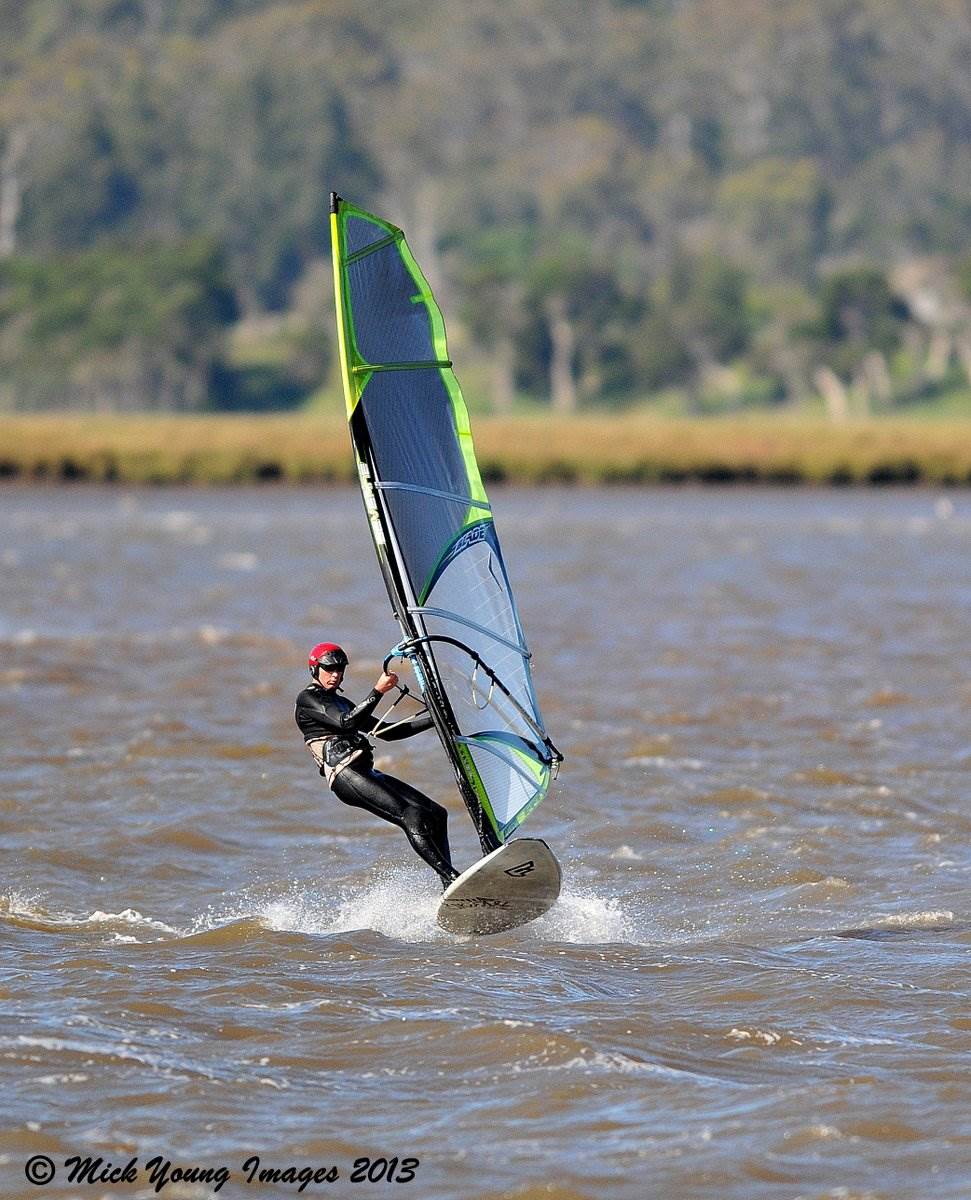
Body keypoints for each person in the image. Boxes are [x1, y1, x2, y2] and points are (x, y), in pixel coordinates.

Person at [295, 641, 459, 888]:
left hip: (365, 772)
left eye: (339, 669)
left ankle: (449, 885)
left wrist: (438, 718)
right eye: (329, 669)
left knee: (436, 814)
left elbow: (390, 732)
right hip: (345, 774)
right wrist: (378, 691)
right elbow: (346, 723)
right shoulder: (308, 699)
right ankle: (453, 877)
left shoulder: (342, 702)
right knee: (411, 816)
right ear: (314, 669)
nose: (335, 674)